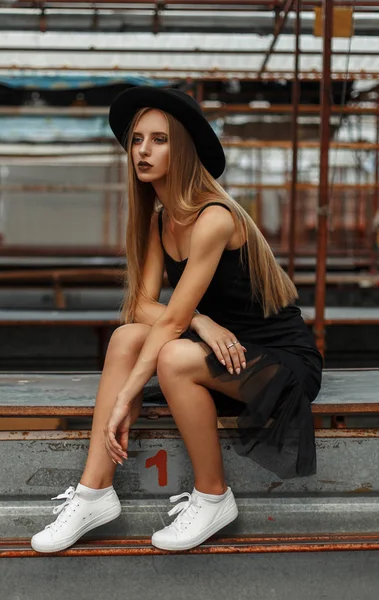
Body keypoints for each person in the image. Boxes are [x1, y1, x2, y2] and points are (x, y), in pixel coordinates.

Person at [31, 86, 323, 554]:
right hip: (218, 352)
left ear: (182, 150)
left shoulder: (214, 218)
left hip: (278, 365)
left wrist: (126, 398)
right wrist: (202, 322)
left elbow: (167, 324)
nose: (143, 151)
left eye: (159, 140)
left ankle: (213, 496)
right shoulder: (159, 220)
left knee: (172, 355)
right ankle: (94, 491)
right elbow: (141, 305)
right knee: (128, 337)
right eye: (137, 140)